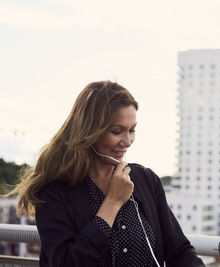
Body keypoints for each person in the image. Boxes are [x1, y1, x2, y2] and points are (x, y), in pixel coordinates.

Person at [9, 81, 205, 267]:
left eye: (132, 130)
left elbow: (180, 251)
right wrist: (112, 203)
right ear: (90, 132)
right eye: (117, 131)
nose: (127, 141)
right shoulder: (54, 192)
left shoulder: (146, 179)